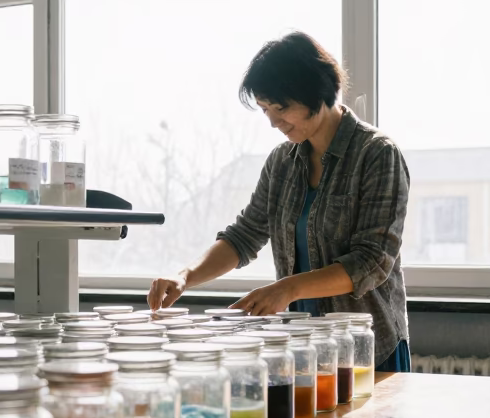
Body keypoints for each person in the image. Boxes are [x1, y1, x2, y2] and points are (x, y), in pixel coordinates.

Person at [146, 31, 411, 371]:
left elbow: (371, 262)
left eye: (280, 108)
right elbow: (244, 236)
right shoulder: (281, 162)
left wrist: (288, 289)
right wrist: (185, 275)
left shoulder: (377, 154)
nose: (272, 122)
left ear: (315, 90)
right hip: (304, 347)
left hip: (368, 351)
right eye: (264, 109)